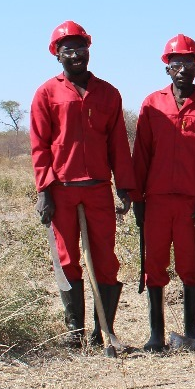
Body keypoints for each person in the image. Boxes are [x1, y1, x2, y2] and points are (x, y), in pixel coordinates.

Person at [30, 21, 135, 347]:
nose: (76, 54)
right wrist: (44, 190)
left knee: (106, 260)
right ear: (57, 55)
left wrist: (124, 186)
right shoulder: (46, 93)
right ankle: (74, 332)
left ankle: (104, 331)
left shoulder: (108, 93)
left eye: (81, 48)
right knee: (66, 259)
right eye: (68, 50)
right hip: (61, 189)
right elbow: (39, 145)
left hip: (98, 188)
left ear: (89, 50)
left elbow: (118, 144)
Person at [132, 35, 195, 351]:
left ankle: (192, 334)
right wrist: (137, 199)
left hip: (190, 201)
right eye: (176, 63)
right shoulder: (152, 103)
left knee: (191, 265)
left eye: (188, 62)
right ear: (167, 68)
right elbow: (141, 153)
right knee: (154, 265)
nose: (182, 68)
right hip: (156, 199)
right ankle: (156, 335)